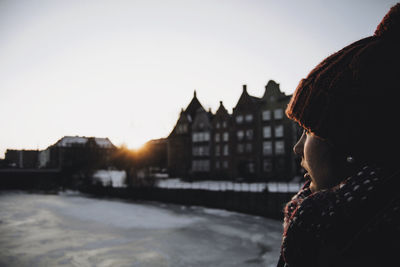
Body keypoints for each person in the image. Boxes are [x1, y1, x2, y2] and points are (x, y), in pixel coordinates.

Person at [277, 3, 400, 267]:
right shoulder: (328, 226)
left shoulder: (360, 249)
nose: (298, 148)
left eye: (309, 131)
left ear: (354, 148)